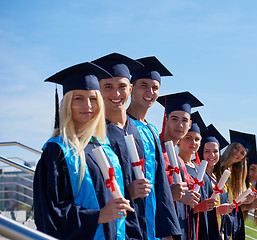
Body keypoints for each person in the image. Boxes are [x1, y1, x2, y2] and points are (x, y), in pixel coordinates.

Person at [33, 62, 134, 240]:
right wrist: (99, 216)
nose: (88, 105)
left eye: (93, 98)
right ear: (67, 105)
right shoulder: (57, 151)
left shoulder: (104, 148)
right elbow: (48, 213)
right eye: (78, 98)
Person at [93, 54, 180, 240]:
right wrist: (127, 191)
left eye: (155, 87)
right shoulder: (104, 131)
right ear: (133, 89)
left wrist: (168, 231)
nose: (150, 91)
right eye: (144, 85)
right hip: (125, 225)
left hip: (150, 225)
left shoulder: (150, 130)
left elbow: (161, 183)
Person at [157, 91, 203, 240]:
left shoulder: (180, 161)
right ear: (166, 119)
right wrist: (170, 195)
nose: (179, 124)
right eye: (174, 119)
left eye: (184, 120)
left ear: (189, 124)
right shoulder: (155, 151)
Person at [177, 111, 220, 240]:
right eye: (188, 138)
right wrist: (197, 208)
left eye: (197, 139)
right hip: (184, 230)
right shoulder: (174, 166)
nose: (193, 142)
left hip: (202, 230)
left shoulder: (200, 170)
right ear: (179, 141)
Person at [214, 130, 257, 240]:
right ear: (231, 147)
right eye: (236, 148)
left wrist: (246, 202)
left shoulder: (236, 177)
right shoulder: (215, 166)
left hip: (229, 225)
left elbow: (233, 205)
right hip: (214, 220)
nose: (238, 153)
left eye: (242, 153)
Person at [198, 123, 234, 240]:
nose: (212, 155)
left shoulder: (219, 178)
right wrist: (217, 210)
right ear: (200, 152)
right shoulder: (198, 176)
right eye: (207, 151)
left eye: (215, 151)